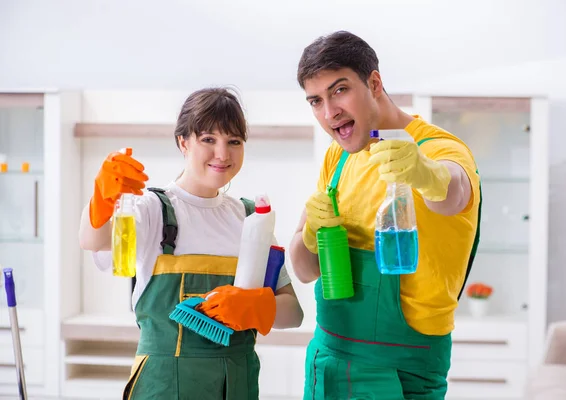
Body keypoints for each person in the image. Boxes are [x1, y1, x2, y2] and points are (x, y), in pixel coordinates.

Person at [290, 31, 481, 400]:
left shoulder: (440, 148)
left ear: (374, 83)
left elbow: (455, 191)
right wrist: (310, 233)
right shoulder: (339, 157)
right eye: (316, 101)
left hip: (403, 369)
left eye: (339, 90)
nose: (329, 113)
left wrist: (427, 174)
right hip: (329, 360)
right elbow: (304, 270)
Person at [79, 87, 304, 400]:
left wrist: (255, 308)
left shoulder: (252, 219)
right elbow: (94, 241)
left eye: (234, 141)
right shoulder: (152, 208)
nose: (222, 154)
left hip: (236, 385)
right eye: (208, 139)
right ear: (183, 142)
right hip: (164, 386)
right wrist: (102, 198)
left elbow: (294, 313)